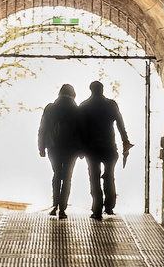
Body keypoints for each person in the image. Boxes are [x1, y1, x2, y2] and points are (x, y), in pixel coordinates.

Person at [77, 81, 133, 219]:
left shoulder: (84, 106)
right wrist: (125, 141)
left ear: (90, 90)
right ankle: (109, 207)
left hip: (91, 148)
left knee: (94, 178)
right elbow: (120, 124)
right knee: (109, 176)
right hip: (109, 146)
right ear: (102, 89)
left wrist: (80, 148)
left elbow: (79, 129)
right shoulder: (111, 105)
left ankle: (97, 209)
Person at [37, 83, 82, 219]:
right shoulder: (77, 110)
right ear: (73, 94)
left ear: (59, 93)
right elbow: (82, 131)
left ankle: (55, 205)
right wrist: (81, 150)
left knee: (57, 175)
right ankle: (63, 209)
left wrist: (41, 147)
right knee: (67, 177)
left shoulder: (50, 108)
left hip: (53, 146)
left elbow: (43, 129)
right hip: (71, 148)